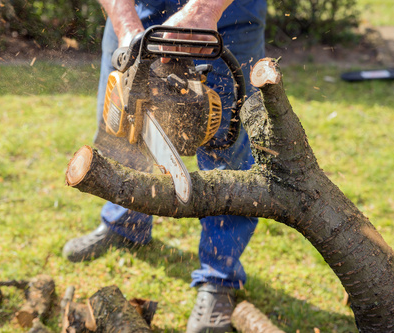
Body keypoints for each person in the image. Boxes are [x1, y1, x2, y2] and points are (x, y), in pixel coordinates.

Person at [63, 0, 266, 331]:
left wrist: (205, 10)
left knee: (225, 149)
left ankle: (220, 276)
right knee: (123, 128)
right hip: (137, 12)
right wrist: (125, 24)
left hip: (227, 13)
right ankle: (125, 225)